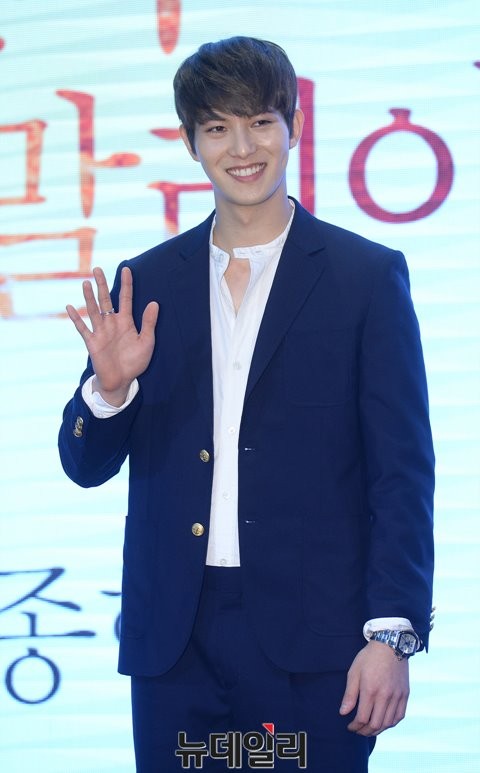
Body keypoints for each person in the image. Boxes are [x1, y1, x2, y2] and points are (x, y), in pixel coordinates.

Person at [59, 36, 434, 772]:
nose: (242, 147)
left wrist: (391, 635)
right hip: (176, 643)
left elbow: (402, 472)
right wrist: (110, 389)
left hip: (314, 642)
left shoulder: (364, 277)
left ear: (294, 127)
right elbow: (84, 464)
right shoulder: (147, 283)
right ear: (191, 141)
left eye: (260, 121)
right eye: (217, 127)